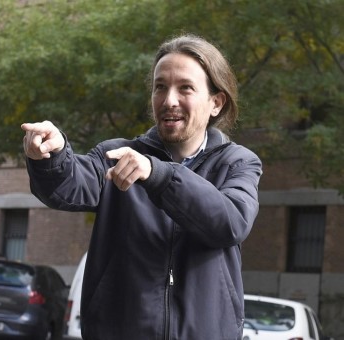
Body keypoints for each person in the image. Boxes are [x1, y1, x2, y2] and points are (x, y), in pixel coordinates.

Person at [21, 34, 263, 340]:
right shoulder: (118, 153)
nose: (169, 100)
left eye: (185, 88)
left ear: (216, 102)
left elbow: (230, 222)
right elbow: (68, 184)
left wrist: (158, 174)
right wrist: (52, 156)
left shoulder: (238, 162)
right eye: (160, 87)